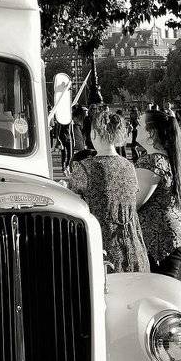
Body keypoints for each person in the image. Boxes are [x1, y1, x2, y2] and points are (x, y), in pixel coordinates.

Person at [67, 108, 149, 272]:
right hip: (132, 246)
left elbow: (73, 203)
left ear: (94, 134)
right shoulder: (128, 166)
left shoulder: (85, 167)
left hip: (102, 247)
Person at [135, 108, 181, 277]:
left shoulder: (152, 161)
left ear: (151, 133)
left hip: (162, 238)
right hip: (170, 233)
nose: (135, 127)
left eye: (139, 125)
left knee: (162, 288)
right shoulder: (164, 157)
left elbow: (135, 202)